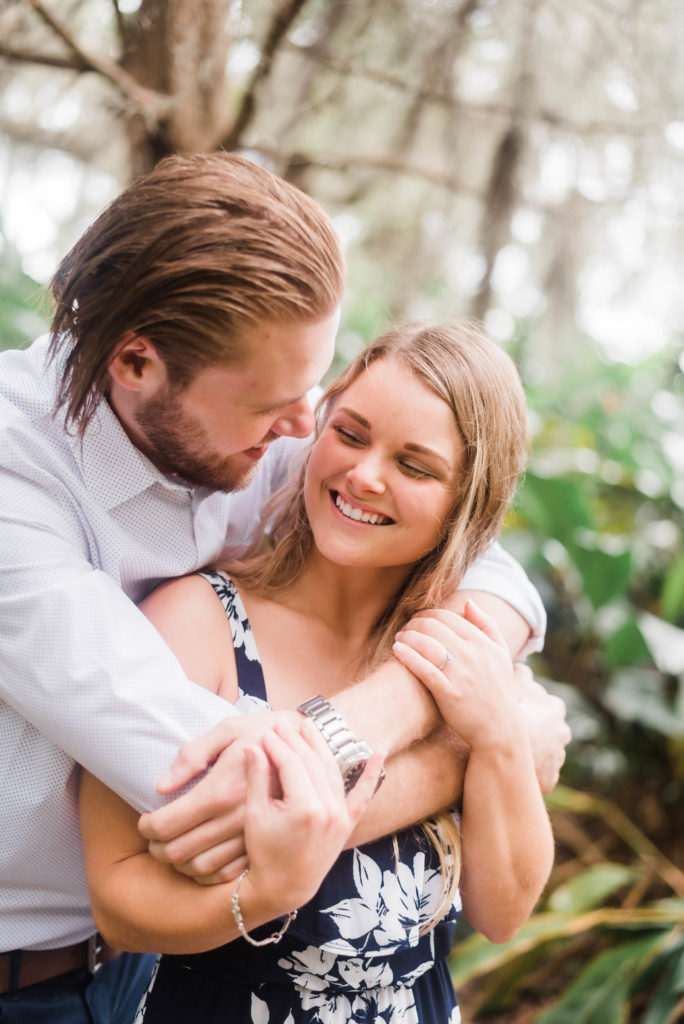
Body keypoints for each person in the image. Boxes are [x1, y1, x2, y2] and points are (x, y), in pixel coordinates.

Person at [0, 152, 567, 1023]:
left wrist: (416, 704)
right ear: (137, 363)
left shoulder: (243, 428)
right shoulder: (15, 489)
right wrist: (471, 749)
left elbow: (485, 565)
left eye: (317, 391)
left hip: (118, 975)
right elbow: (219, 791)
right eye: (278, 402)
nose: (306, 430)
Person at [80, 322, 555, 1024]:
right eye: (352, 434)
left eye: (415, 466)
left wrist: (503, 737)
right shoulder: (196, 621)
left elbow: (503, 913)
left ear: (468, 502)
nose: (364, 476)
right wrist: (268, 889)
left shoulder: (457, 658)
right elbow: (121, 908)